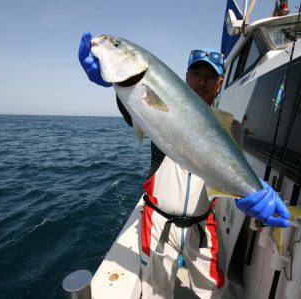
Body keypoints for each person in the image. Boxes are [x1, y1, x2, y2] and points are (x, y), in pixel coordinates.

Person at [78, 32, 290, 298]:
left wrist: (254, 192)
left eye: (210, 76)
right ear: (186, 77)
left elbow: (234, 170)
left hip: (202, 226)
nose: (201, 82)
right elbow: (138, 106)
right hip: (158, 223)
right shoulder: (158, 113)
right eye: (196, 74)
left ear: (220, 83)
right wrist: (117, 87)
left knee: (212, 290)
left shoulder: (231, 128)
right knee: (156, 291)